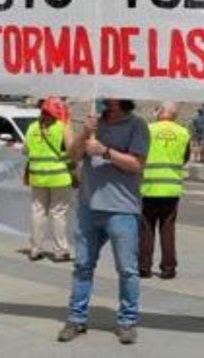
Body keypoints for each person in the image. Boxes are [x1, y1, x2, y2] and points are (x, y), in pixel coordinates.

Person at [58, 99, 148, 346]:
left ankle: (127, 321)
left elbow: (137, 164)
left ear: (121, 100)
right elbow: (73, 156)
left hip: (122, 209)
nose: (103, 101)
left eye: (109, 97)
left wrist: (106, 152)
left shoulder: (137, 125)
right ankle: (76, 318)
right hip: (89, 206)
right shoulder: (92, 123)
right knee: (82, 265)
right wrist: (85, 132)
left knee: (127, 270)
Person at [139, 101, 190, 280]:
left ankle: (144, 267)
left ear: (160, 111)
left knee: (146, 228)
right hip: (171, 187)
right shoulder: (183, 132)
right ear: (174, 114)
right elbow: (185, 157)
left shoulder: (147, 129)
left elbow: (139, 153)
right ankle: (168, 268)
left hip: (149, 186)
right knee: (168, 229)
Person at [25, 97, 73, 262]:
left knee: (38, 211)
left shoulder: (32, 127)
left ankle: (35, 249)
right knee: (58, 213)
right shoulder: (62, 127)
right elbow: (73, 152)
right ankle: (60, 250)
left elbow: (25, 150)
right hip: (59, 176)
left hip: (37, 176)